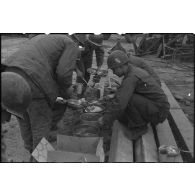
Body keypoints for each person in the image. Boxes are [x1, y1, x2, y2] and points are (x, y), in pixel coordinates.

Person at [1, 34, 79, 157]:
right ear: (78, 41)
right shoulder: (70, 44)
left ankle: (30, 150)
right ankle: (39, 159)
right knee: (40, 124)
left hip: (9, 76)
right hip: (34, 80)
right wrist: (68, 93)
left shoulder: (46, 38)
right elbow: (63, 75)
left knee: (23, 116)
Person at [99, 50, 170, 140]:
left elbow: (120, 103)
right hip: (157, 107)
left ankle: (139, 128)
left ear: (120, 66)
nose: (113, 73)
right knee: (124, 103)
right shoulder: (132, 70)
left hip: (159, 112)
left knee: (128, 99)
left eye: (113, 69)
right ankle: (139, 121)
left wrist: (105, 119)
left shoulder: (131, 77)